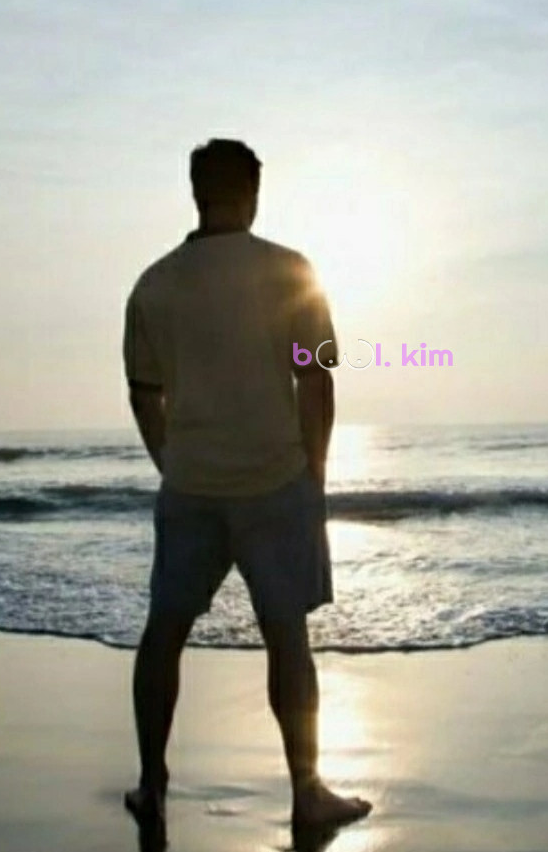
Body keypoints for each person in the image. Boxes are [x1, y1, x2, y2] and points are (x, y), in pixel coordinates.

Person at [121, 138, 371, 840]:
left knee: (164, 632)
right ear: (253, 194)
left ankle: (152, 784)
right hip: (274, 479)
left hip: (191, 483)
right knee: (286, 636)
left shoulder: (154, 284)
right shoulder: (291, 271)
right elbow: (315, 378)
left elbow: (143, 391)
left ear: (195, 192)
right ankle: (306, 791)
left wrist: (171, 462)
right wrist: (316, 471)